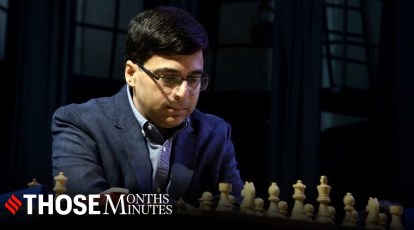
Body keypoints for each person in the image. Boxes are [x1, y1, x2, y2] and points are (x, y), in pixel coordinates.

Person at [51, 6, 244, 208]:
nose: (183, 92)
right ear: (131, 73)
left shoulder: (216, 134)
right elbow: (89, 207)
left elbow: (233, 213)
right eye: (169, 78)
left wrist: (133, 202)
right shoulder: (80, 123)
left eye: (194, 79)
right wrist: (181, 209)